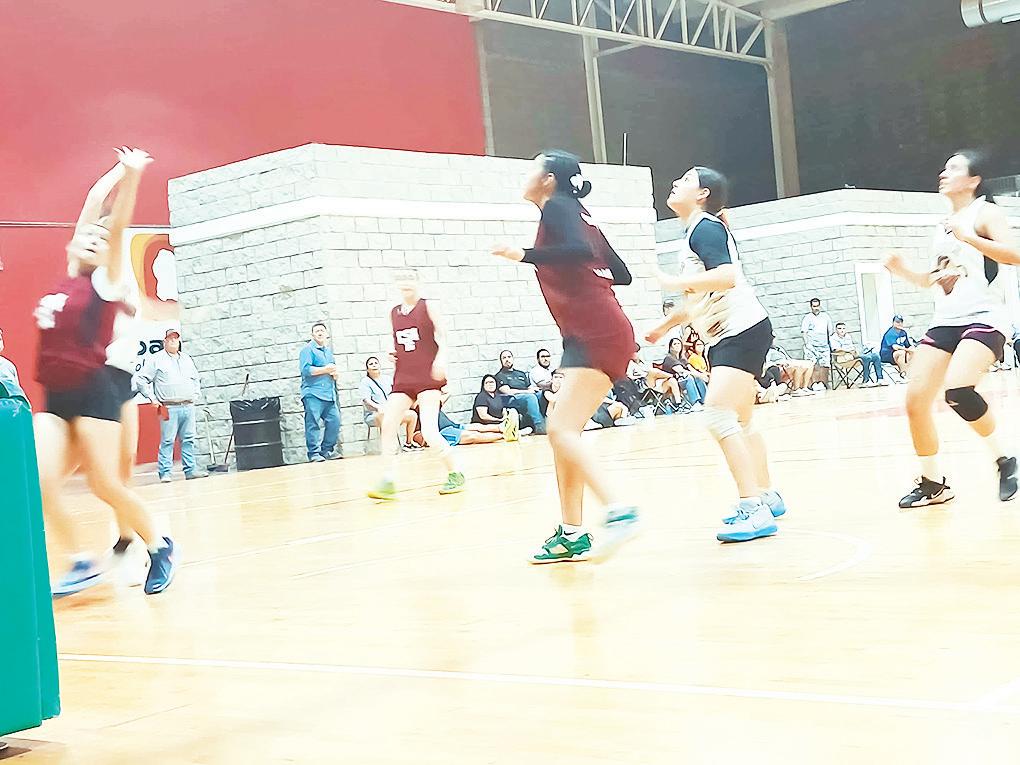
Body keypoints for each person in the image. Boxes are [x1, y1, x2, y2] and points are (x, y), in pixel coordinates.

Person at [33, 148, 175, 596]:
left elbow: (116, 223)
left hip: (99, 387)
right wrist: (114, 170)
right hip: (55, 397)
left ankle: (157, 544)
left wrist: (131, 176)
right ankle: (80, 562)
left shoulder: (106, 281)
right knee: (39, 480)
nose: (93, 238)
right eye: (86, 236)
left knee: (107, 482)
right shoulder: (68, 277)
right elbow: (93, 206)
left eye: (102, 240)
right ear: (72, 244)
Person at [492, 150, 639, 563]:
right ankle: (572, 533)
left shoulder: (557, 207)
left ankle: (620, 511)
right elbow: (622, 273)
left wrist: (524, 254)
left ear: (549, 179)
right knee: (562, 429)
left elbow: (575, 250)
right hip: (590, 329)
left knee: (559, 429)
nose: (526, 175)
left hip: (597, 331)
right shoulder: (580, 213)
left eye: (533, 167)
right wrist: (585, 284)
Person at [648, 166, 787, 543]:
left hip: (739, 332)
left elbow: (726, 277)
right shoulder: (698, 231)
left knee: (717, 415)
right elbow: (701, 297)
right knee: (741, 421)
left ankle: (752, 508)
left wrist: (674, 281)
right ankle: (766, 495)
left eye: (685, 180)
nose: (674, 183)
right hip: (741, 331)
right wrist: (664, 327)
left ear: (703, 194)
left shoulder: (705, 228)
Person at [883, 150, 1019, 507]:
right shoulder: (943, 225)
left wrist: (968, 236)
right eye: (944, 167)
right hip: (946, 319)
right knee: (915, 401)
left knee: (958, 389)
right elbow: (934, 279)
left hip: (984, 317)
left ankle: (1005, 460)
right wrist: (903, 271)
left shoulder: (985, 213)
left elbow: (1014, 254)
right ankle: (933, 484)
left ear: (973, 180)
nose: (944, 173)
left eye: (954, 168)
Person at [367, 270, 465, 499]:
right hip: (404, 377)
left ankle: (455, 473)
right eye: (401, 280)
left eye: (410, 279)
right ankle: (388, 480)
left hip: (427, 377)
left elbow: (444, 336)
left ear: (419, 283)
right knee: (388, 423)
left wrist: (442, 360)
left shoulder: (427, 306)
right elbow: (401, 342)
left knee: (429, 430)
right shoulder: (394, 313)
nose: (406, 283)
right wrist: (393, 353)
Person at [135, 328, 205, 480]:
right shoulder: (156, 359)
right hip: (168, 407)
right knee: (168, 440)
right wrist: (152, 398)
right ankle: (165, 473)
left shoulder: (186, 358)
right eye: (170, 338)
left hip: (188, 405)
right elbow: (141, 380)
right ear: (164, 341)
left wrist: (196, 394)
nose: (173, 341)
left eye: (176, 338)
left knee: (189, 440)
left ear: (179, 341)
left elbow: (195, 378)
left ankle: (190, 470)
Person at [296, 322, 342, 463]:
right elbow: (306, 370)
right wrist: (325, 370)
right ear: (312, 335)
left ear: (327, 334)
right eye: (317, 331)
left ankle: (326, 450)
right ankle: (314, 453)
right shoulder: (307, 350)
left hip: (329, 394)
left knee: (335, 421)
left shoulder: (328, 352)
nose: (320, 333)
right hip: (313, 394)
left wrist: (334, 374)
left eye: (322, 330)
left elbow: (331, 369)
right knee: (313, 423)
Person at [359, 355, 419, 450]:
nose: (374, 365)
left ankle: (409, 443)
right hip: (375, 415)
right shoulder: (365, 382)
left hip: (391, 412)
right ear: (367, 369)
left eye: (376, 363)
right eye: (371, 364)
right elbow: (367, 400)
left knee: (412, 415)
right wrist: (378, 407)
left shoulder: (387, 379)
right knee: (383, 415)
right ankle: (388, 446)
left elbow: (397, 393)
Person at [494, 350, 547, 434]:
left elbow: (529, 387)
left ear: (512, 359)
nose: (507, 359)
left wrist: (536, 389)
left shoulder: (521, 374)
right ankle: (539, 425)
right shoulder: (499, 376)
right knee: (530, 397)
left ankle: (547, 421)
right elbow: (508, 391)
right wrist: (527, 392)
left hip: (526, 396)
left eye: (509, 357)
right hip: (512, 399)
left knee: (543, 394)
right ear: (501, 361)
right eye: (504, 358)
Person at [439, 388, 513, 446]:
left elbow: (448, 393)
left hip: (451, 425)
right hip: (442, 431)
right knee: (473, 436)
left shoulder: (434, 404)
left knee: (478, 426)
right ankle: (506, 435)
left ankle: (503, 427)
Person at [831, 322, 886, 387]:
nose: (842, 330)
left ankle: (880, 379)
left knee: (876, 356)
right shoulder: (833, 338)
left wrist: (854, 351)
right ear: (836, 330)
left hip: (853, 355)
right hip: (843, 358)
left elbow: (852, 347)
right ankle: (866, 381)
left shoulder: (848, 336)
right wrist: (848, 351)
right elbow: (836, 349)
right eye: (839, 328)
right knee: (867, 358)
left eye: (843, 328)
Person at [662, 337, 707, 408]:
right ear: (671, 347)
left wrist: (701, 375)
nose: (677, 345)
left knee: (698, 378)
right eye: (675, 344)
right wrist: (698, 374)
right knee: (689, 378)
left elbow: (690, 368)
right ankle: (695, 403)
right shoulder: (669, 358)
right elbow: (681, 370)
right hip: (674, 381)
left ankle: (705, 400)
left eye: (679, 343)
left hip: (683, 378)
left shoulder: (682, 358)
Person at [801, 297, 833, 391]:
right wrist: (807, 344)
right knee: (813, 366)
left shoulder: (826, 317)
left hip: (824, 345)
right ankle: (814, 384)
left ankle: (824, 384)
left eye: (817, 306)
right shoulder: (807, 318)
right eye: (814, 306)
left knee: (825, 365)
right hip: (811, 346)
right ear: (811, 307)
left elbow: (830, 331)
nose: (816, 308)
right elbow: (804, 332)